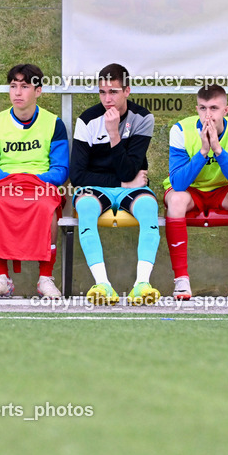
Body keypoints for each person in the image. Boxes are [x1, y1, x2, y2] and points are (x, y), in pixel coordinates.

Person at [70, 64, 161, 306]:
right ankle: (103, 285)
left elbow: (129, 169)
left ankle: (142, 285)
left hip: (131, 184)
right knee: (86, 207)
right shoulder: (87, 120)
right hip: (103, 185)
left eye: (114, 92)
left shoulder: (143, 118)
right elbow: (78, 176)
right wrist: (122, 182)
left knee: (149, 208)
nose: (107, 99)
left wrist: (114, 135)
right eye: (102, 92)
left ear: (127, 91)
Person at [0, 64, 69, 299]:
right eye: (13, 86)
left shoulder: (54, 123)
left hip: (41, 186)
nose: (17, 92)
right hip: (5, 185)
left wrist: (31, 180)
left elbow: (60, 171)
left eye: (25, 86)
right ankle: (1, 279)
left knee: (47, 209)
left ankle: (45, 278)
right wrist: (15, 181)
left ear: (38, 91)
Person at [162, 84, 228, 301]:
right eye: (203, 108)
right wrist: (203, 151)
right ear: (197, 109)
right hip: (190, 190)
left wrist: (218, 150)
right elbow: (178, 182)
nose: (208, 115)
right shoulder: (180, 130)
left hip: (223, 190)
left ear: (226, 110)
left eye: (214, 108)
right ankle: (181, 279)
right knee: (175, 201)